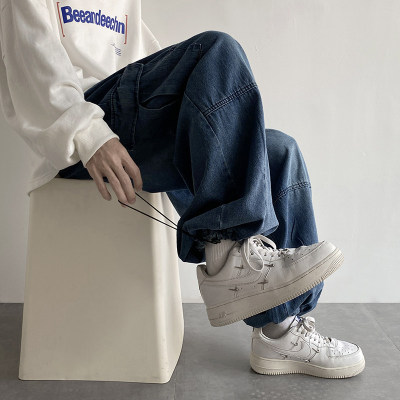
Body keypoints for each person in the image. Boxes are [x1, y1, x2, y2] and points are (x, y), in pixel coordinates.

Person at [0, 0, 365, 378]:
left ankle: (281, 330)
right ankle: (227, 255)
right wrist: (89, 134)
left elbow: (146, 70)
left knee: (279, 151)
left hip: (131, 127)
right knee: (217, 52)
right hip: (81, 131)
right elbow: (31, 62)